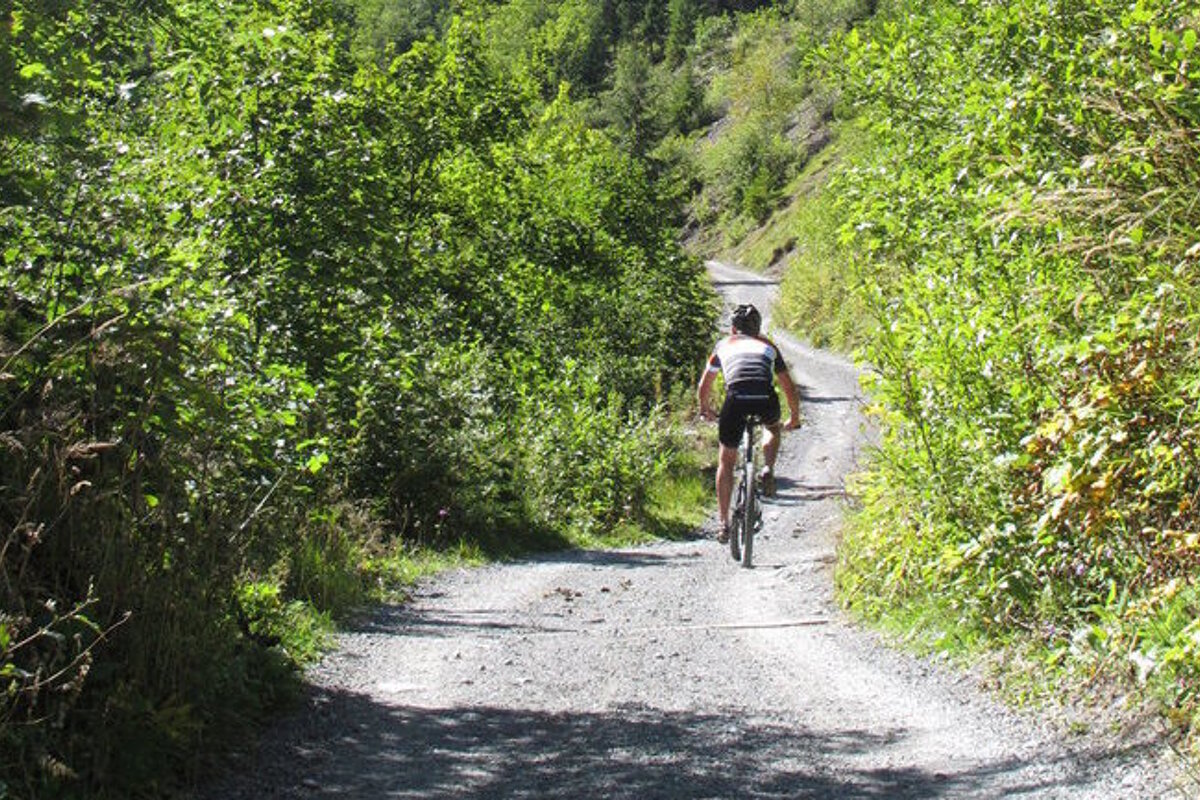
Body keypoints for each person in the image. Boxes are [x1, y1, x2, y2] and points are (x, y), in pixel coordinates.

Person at [697, 303, 801, 543]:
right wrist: (794, 416)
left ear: (733, 329)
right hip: (765, 396)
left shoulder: (723, 345)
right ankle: (768, 468)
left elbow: (705, 384)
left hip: (735, 399)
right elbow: (788, 386)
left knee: (726, 460)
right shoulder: (768, 346)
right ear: (758, 329)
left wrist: (705, 408)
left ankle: (723, 523)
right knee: (772, 427)